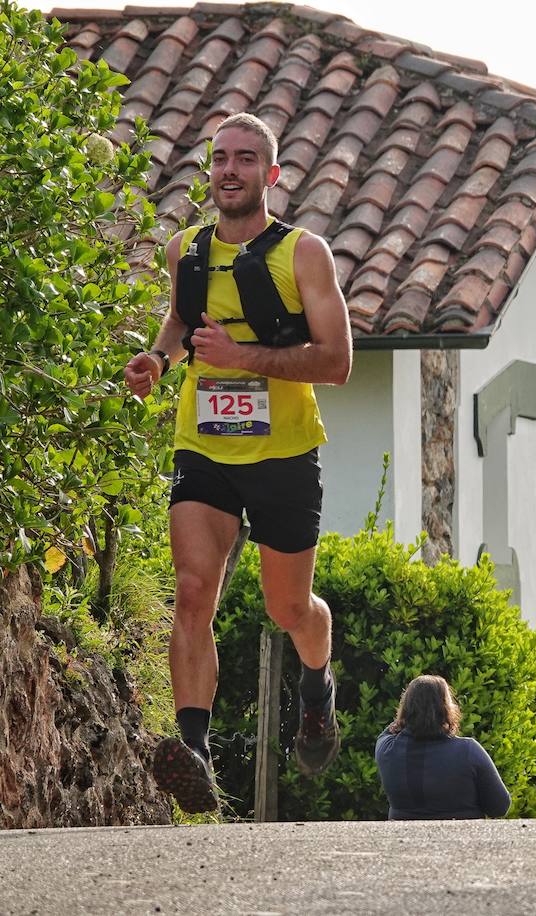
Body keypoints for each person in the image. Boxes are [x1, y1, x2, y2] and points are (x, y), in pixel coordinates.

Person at [122, 112, 352, 813]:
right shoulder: (184, 250)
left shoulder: (303, 254)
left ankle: (317, 685)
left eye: (246, 159)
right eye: (220, 158)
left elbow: (337, 362)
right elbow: (182, 320)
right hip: (204, 445)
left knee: (290, 607)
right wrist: (159, 359)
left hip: (283, 453)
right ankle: (194, 751)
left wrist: (243, 358)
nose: (229, 170)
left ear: (271, 175)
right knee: (194, 591)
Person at [375, 675, 512, 820]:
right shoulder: (468, 750)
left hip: (403, 839)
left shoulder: (386, 749)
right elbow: (500, 806)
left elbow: (391, 729)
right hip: (462, 839)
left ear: (406, 708)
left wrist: (406, 717)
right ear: (446, 709)